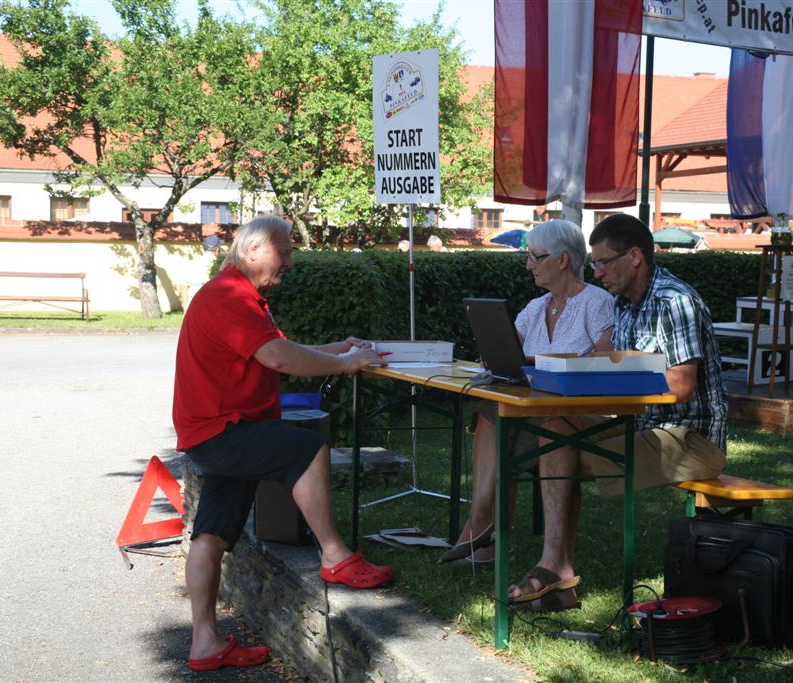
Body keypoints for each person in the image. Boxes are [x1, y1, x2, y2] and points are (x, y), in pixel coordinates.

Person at [174, 216, 392, 672]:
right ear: (252, 251)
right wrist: (350, 362)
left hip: (214, 431)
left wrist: (338, 350)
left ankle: (204, 644)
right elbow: (276, 356)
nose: (290, 262)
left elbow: (276, 348)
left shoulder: (236, 294)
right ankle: (335, 556)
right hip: (225, 429)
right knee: (306, 447)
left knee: (210, 535)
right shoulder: (230, 296)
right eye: (284, 252)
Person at [507, 213, 728, 610]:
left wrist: (619, 374)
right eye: (593, 263)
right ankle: (554, 567)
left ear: (636, 257)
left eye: (603, 262)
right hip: (642, 425)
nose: (595, 271)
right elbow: (607, 365)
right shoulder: (625, 304)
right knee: (555, 428)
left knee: (561, 447)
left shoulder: (673, 301)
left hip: (691, 440)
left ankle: (555, 572)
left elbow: (680, 385)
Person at [439, 219, 615, 565]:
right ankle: (482, 529)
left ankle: (481, 530)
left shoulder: (597, 302)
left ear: (563, 260)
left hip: (580, 417)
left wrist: (537, 362)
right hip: (533, 414)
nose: (528, 265)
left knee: (495, 417)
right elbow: (507, 354)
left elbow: (602, 361)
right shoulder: (535, 308)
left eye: (535, 256)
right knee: (492, 413)